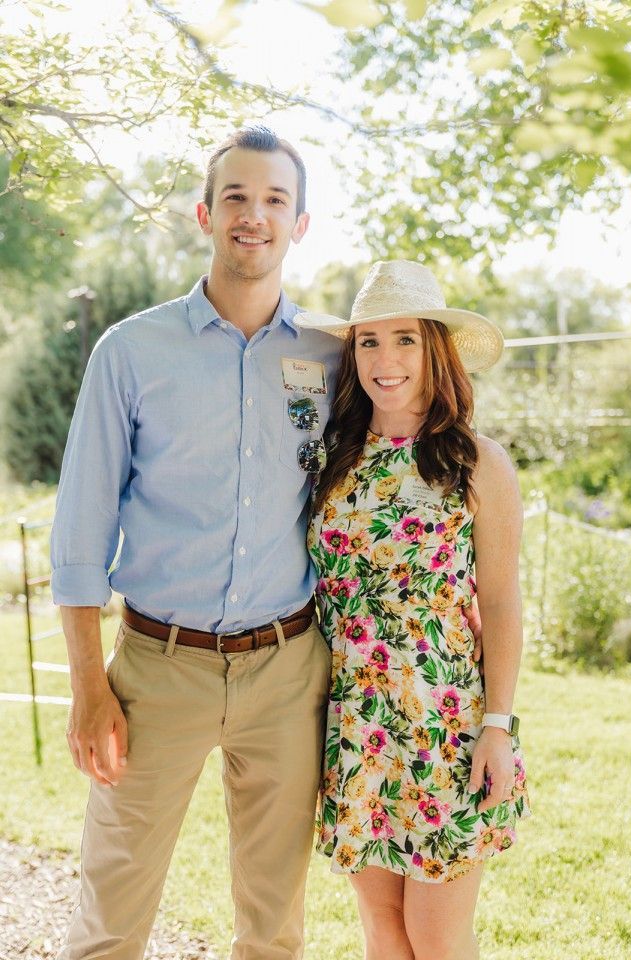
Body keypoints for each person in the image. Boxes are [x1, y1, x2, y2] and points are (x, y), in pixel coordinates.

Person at [50, 126, 343, 960]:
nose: (256, 216)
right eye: (238, 198)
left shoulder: (331, 358)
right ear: (205, 214)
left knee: (275, 925)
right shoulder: (131, 352)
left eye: (275, 200)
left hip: (288, 671)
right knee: (110, 918)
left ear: (301, 223)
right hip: (155, 670)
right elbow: (79, 533)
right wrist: (87, 689)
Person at [296, 260, 531, 960]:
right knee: (383, 932)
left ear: (437, 349)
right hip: (355, 722)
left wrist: (498, 728)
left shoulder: (476, 463)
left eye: (405, 339)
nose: (385, 359)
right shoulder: (329, 459)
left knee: (436, 936)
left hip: (445, 723)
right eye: (368, 341)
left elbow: (502, 600)